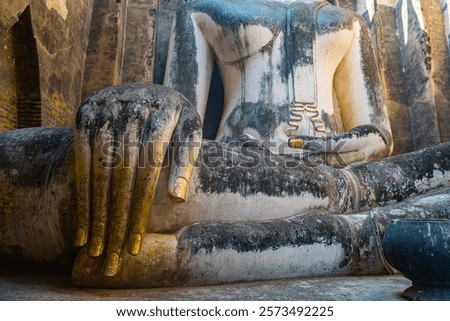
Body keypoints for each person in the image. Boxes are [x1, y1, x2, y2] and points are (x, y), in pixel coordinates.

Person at [1, 0, 448, 287]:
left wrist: (345, 144)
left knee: (377, 185)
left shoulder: (346, 22)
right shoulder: (205, 10)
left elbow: (378, 134)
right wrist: (150, 97)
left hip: (337, 165)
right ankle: (378, 231)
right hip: (237, 158)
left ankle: (371, 227)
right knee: (136, 173)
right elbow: (181, 110)